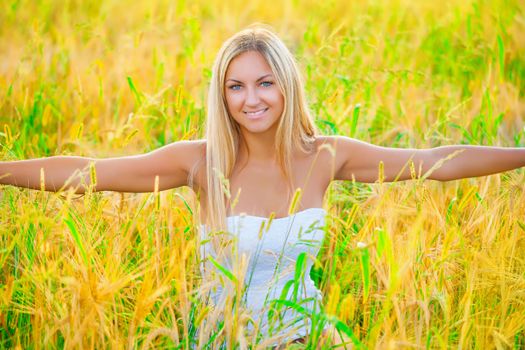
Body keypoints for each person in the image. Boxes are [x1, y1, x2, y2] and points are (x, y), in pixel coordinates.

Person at [1, 24, 524, 348]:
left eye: (265, 82)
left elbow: (434, 161)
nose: (251, 99)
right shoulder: (201, 164)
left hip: (306, 333)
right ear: (222, 96)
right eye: (236, 86)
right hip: (224, 337)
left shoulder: (325, 157)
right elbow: (92, 173)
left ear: (287, 84)